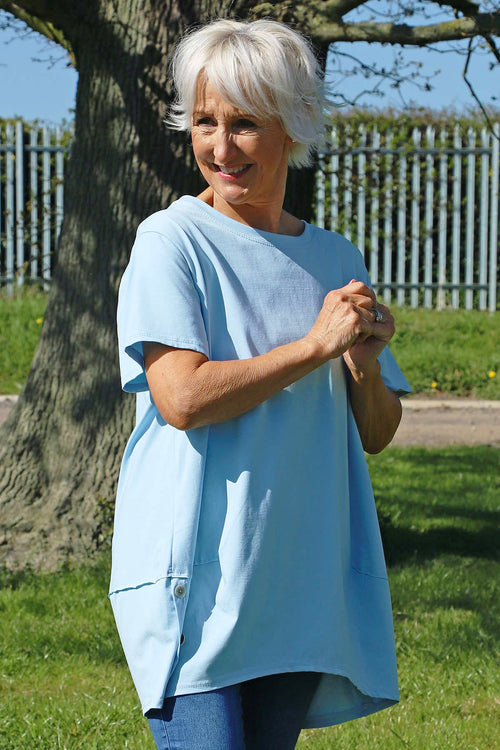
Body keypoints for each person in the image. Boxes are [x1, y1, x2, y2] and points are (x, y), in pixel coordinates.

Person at [109, 18, 411, 750]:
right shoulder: (172, 241)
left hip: (298, 587)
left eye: (244, 123)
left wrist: (363, 364)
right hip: (195, 587)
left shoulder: (334, 257)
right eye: (205, 122)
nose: (221, 148)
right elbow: (182, 398)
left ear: (294, 124)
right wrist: (313, 347)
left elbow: (376, 433)